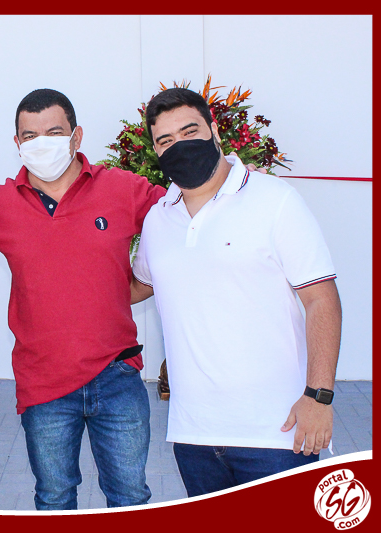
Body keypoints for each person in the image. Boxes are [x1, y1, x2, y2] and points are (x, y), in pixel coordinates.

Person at [130, 87, 341, 496]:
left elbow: (322, 299)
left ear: (214, 131)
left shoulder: (275, 201)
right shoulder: (158, 219)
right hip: (194, 436)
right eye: (165, 140)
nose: (179, 145)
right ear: (155, 151)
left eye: (189, 131)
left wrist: (319, 397)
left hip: (278, 434)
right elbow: (138, 286)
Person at [0, 89, 165, 510]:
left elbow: (187, 218)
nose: (42, 143)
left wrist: (237, 185)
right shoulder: (1, 204)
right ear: (17, 143)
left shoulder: (122, 188)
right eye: (30, 136)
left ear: (76, 136)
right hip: (44, 383)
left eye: (54, 132)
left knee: (131, 498)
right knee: (54, 499)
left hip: (117, 374)